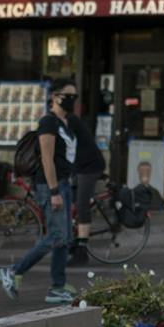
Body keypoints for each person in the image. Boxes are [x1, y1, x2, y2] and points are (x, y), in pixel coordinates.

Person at [0, 81, 81, 305]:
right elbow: (47, 158)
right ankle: (14, 271)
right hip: (50, 186)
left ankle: (58, 286)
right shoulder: (48, 122)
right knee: (56, 236)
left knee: (64, 238)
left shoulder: (66, 124)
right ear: (55, 97)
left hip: (64, 184)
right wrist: (54, 191)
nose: (72, 99)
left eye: (75, 95)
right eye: (67, 95)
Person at [69, 92, 106, 265]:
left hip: (90, 166)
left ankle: (82, 251)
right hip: (77, 166)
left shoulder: (71, 121)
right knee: (71, 202)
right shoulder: (59, 121)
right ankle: (72, 241)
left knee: (82, 204)